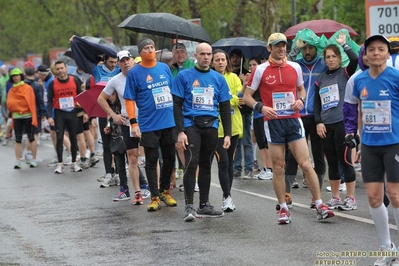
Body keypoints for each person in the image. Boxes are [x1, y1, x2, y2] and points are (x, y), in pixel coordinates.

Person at [243, 33, 334, 224]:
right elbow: (248, 96)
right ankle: (283, 208)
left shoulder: (295, 67)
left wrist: (301, 100)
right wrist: (262, 107)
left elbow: (302, 90)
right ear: (269, 48)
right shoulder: (260, 70)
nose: (281, 49)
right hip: (273, 122)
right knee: (278, 167)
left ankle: (319, 204)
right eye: (277, 46)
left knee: (306, 163)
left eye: (283, 45)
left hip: (293, 120)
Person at [346, 34, 399, 265]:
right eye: (371, 50)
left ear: (388, 53)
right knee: (374, 197)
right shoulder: (359, 81)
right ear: (365, 55)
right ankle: (387, 248)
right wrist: (355, 138)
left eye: (381, 49)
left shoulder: (396, 77)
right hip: (369, 146)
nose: (376, 53)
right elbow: (355, 112)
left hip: (394, 143)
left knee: (396, 196)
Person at [173, 42, 232, 222]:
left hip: (212, 126)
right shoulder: (184, 76)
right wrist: (180, 131)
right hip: (192, 125)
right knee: (192, 163)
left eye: (209, 54)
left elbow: (224, 106)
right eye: (203, 54)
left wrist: (227, 133)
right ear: (196, 56)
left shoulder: (218, 78)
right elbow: (176, 105)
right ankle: (189, 206)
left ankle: (204, 204)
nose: (206, 57)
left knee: (206, 165)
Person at [124, 38, 177, 212]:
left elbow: (173, 92)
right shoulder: (134, 73)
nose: (150, 50)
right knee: (152, 160)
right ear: (140, 53)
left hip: (168, 121)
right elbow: (129, 99)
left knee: (169, 159)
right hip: (148, 124)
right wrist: (133, 122)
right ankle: (154, 197)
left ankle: (164, 191)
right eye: (146, 48)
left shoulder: (164, 68)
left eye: (152, 47)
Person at [281, 34, 328, 208]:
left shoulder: (323, 64)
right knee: (292, 157)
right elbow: (284, 61)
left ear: (317, 48)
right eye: (304, 48)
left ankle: (316, 195)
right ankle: (286, 193)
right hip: (297, 116)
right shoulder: (295, 65)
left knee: (318, 157)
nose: (307, 52)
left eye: (310, 48)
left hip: (317, 117)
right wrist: (295, 47)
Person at [313, 32, 358, 211]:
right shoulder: (321, 78)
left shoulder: (345, 72)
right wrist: (318, 122)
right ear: (325, 59)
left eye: (334, 56)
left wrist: (344, 44)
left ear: (339, 58)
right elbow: (316, 102)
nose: (331, 60)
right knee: (332, 161)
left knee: (345, 160)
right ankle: (336, 197)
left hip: (342, 123)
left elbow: (355, 60)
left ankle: (351, 198)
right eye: (328, 57)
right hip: (326, 125)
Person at [97, 50, 144, 204]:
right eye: (122, 61)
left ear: (133, 60)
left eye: (128, 59)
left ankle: (153, 188)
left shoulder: (142, 74)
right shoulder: (115, 80)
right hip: (128, 121)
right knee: (132, 157)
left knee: (151, 156)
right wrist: (114, 115)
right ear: (118, 64)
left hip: (146, 119)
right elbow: (101, 99)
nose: (126, 63)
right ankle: (136, 191)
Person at [212, 49, 243, 212]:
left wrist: (225, 99)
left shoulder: (234, 78)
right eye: (217, 60)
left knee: (230, 162)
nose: (220, 62)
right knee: (223, 161)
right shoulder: (209, 78)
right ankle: (226, 197)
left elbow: (239, 99)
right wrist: (228, 99)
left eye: (223, 59)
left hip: (234, 126)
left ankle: (227, 195)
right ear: (212, 62)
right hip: (216, 129)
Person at [47, 61, 83, 174]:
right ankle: (60, 164)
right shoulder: (53, 83)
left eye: (62, 68)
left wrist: (84, 111)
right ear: (55, 71)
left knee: (73, 137)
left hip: (72, 112)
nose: (60, 71)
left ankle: (74, 163)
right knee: (59, 138)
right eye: (57, 69)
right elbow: (49, 101)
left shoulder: (74, 80)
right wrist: (49, 116)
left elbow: (81, 96)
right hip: (59, 113)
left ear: (66, 68)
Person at [169, 42, 196, 190]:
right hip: (175, 111)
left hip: (191, 111)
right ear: (173, 54)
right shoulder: (170, 70)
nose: (180, 55)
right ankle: (188, 175)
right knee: (179, 146)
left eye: (182, 52)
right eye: (177, 52)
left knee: (192, 146)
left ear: (187, 53)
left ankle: (195, 179)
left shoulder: (192, 66)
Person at [244, 56, 273, 180]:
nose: (251, 67)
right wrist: (245, 83)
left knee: (266, 142)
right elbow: (243, 96)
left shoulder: (262, 78)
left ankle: (270, 169)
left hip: (263, 114)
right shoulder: (250, 81)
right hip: (255, 114)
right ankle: (265, 168)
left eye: (254, 64)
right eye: (250, 65)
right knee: (260, 142)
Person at [6, 68, 38, 169]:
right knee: (18, 138)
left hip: (28, 116)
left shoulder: (28, 88)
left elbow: (31, 102)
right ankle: (17, 161)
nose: (15, 77)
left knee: (31, 137)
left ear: (21, 76)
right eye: (13, 76)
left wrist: (19, 106)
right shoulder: (11, 90)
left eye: (17, 75)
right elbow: (10, 104)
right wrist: (20, 106)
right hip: (17, 117)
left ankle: (34, 159)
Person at [230, 49, 253, 179]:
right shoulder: (228, 74)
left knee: (246, 140)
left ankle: (249, 168)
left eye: (237, 57)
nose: (235, 59)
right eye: (232, 57)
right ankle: (236, 167)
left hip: (245, 111)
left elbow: (252, 91)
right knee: (236, 141)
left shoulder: (247, 73)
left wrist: (245, 82)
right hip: (233, 111)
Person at [23, 62, 47, 167]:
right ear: (34, 73)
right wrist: (43, 113)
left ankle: (28, 154)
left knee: (29, 134)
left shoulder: (22, 84)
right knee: (35, 135)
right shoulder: (37, 85)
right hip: (35, 112)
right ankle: (34, 157)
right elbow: (40, 100)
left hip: (25, 112)